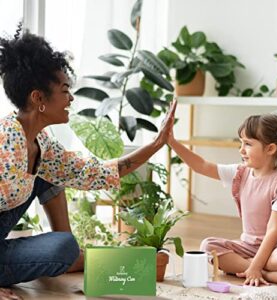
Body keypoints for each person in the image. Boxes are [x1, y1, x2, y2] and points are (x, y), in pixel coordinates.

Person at [0, 29, 177, 295]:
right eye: (64, 90)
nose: (70, 98)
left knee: (52, 177)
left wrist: (154, 146)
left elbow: (91, 172)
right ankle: (66, 258)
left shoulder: (41, 142)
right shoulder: (5, 144)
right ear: (38, 99)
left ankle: (65, 258)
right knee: (63, 248)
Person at [168, 113, 277, 287]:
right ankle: (266, 274)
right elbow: (202, 166)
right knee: (207, 247)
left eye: (248, 144)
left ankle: (249, 266)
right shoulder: (240, 173)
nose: (241, 150)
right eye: (241, 143)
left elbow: (273, 230)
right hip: (248, 246)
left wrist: (255, 264)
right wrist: (171, 141)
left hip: (276, 247)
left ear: (270, 149)